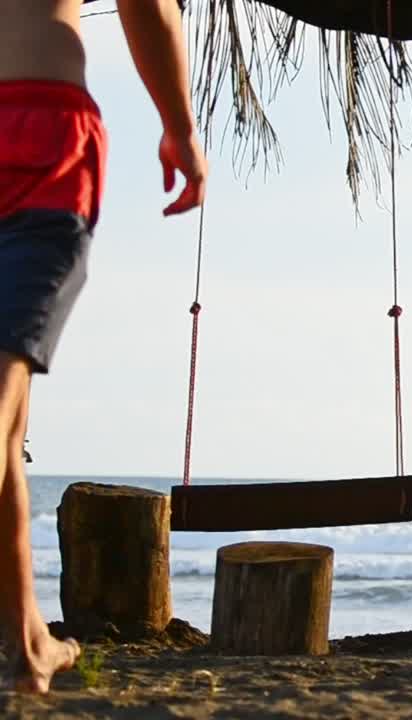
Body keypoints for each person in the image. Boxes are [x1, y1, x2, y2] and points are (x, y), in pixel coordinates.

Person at [0, 0, 207, 694]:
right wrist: (180, 128)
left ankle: (29, 640)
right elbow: (147, 7)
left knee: (10, 421)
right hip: (39, 131)